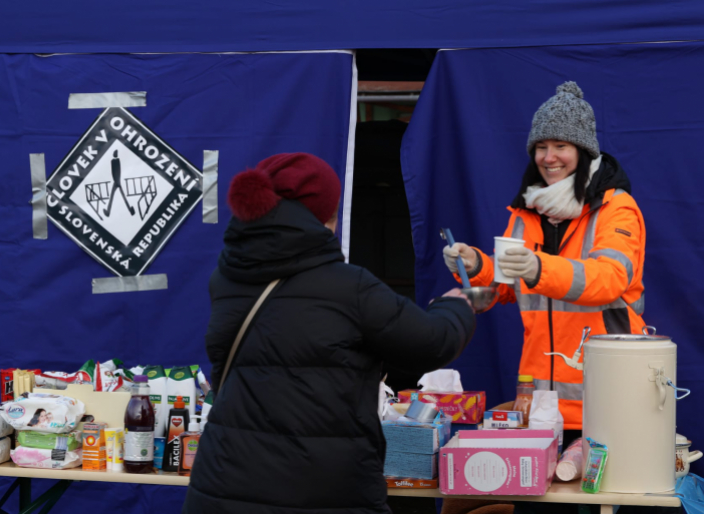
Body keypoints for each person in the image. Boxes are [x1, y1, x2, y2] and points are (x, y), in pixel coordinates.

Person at [183, 152, 476, 514]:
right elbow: (434, 342)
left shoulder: (226, 279)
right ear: (325, 218)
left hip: (222, 483)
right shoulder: (348, 287)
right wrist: (457, 304)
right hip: (322, 488)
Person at [443, 81, 646, 435]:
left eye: (560, 146)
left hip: (607, 394)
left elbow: (609, 279)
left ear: (583, 151)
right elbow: (508, 285)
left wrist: (539, 267)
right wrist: (475, 265)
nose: (548, 158)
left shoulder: (616, 208)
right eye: (540, 147)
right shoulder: (528, 211)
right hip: (539, 399)